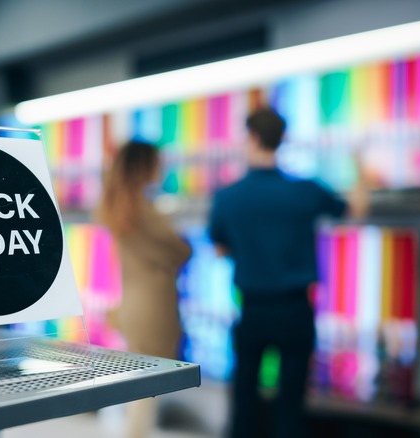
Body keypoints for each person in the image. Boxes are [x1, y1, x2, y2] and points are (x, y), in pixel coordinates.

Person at [208, 108, 370, 438]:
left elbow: (221, 248)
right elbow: (355, 210)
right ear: (281, 140)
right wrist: (359, 165)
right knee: (291, 406)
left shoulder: (227, 197)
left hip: (252, 309)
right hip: (296, 309)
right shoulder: (305, 190)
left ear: (252, 138)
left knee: (245, 401)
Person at [96, 140, 192, 438]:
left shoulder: (119, 206)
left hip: (131, 303)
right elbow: (180, 251)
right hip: (154, 306)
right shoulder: (145, 210)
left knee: (142, 387)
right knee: (147, 393)